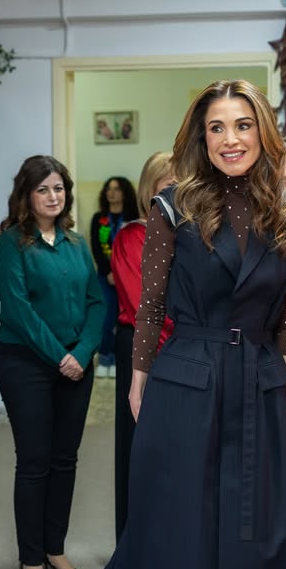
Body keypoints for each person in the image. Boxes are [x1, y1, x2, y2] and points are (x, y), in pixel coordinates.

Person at [102, 80, 286, 569]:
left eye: (243, 125)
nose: (230, 138)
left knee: (265, 541)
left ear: (262, 134)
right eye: (217, 126)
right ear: (201, 135)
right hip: (186, 382)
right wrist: (139, 381)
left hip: (259, 384)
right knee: (180, 535)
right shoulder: (174, 206)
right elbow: (150, 305)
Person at [0, 155, 104, 569]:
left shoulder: (77, 243)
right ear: (27, 194)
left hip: (76, 364)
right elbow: (18, 310)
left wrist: (83, 352)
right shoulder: (12, 243)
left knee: (65, 460)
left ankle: (55, 549)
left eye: (59, 188)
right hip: (27, 366)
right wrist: (62, 357)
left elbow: (97, 301)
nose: (53, 196)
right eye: (43, 189)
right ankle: (31, 560)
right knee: (34, 461)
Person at [110, 151, 175, 544]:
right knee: (140, 449)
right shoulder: (133, 235)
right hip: (145, 353)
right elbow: (144, 307)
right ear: (150, 189)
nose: (177, 192)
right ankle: (134, 547)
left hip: (182, 354)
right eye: (168, 185)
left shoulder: (193, 235)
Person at [89, 176, 139, 378]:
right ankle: (104, 357)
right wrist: (108, 272)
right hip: (105, 277)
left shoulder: (133, 218)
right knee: (106, 318)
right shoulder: (99, 218)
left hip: (127, 278)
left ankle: (120, 359)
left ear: (124, 193)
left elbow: (133, 249)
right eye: (108, 188)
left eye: (116, 189)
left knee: (126, 319)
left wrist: (121, 274)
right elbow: (96, 248)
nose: (111, 193)